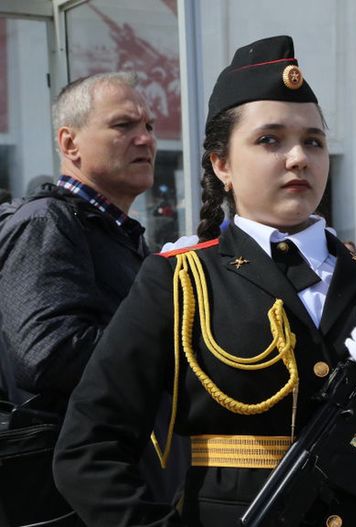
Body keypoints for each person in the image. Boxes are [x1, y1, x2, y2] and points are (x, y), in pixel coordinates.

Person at [53, 36, 356, 526]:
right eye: (270, 140)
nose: (298, 158)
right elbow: (87, 449)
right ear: (221, 164)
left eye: (313, 141)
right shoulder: (180, 281)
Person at [0, 72, 183, 525]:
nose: (145, 139)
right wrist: (174, 343)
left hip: (116, 480)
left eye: (150, 126)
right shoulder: (46, 221)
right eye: (123, 126)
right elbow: (48, 353)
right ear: (70, 143)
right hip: (64, 495)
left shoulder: (122, 237)